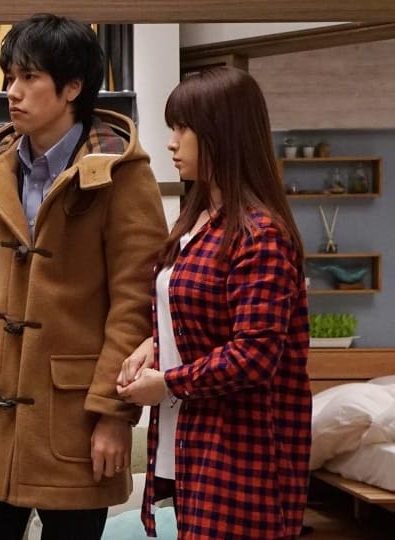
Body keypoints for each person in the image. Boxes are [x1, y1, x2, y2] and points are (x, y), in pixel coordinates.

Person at [0, 13, 168, 540]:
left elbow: (136, 303)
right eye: (10, 78)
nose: (12, 92)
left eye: (29, 77)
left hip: (76, 421)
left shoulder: (121, 175)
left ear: (72, 87)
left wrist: (114, 415)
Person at [116, 66, 311, 539]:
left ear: (223, 133)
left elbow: (254, 354)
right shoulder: (198, 218)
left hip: (238, 454)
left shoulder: (260, 235)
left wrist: (167, 383)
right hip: (191, 440)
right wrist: (153, 344)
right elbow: (198, 318)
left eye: (184, 128)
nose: (171, 143)